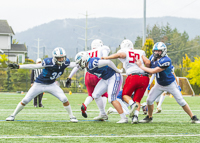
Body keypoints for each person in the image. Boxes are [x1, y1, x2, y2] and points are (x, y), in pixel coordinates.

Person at [6, 47, 78, 123]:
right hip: (39, 84)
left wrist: (84, 62)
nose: (61, 60)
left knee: (64, 99)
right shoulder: (48, 62)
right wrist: (19, 66)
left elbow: (75, 64)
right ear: (55, 58)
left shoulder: (66, 62)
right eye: (59, 58)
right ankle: (12, 115)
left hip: (51, 84)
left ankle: (72, 117)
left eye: (62, 58)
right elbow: (34, 66)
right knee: (25, 100)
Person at [136, 42, 200, 123]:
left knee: (181, 101)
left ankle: (193, 117)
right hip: (159, 84)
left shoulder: (166, 60)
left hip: (170, 84)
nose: (156, 53)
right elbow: (150, 71)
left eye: (158, 51)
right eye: (155, 51)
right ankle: (149, 117)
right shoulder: (152, 57)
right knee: (149, 100)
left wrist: (141, 66)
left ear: (163, 51)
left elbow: (154, 70)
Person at [102, 39, 151, 124]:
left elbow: (120, 54)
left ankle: (132, 105)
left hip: (133, 76)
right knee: (137, 100)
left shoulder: (125, 51)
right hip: (144, 77)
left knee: (125, 95)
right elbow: (148, 62)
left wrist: (107, 57)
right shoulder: (140, 52)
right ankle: (135, 117)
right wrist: (147, 69)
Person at [75, 51, 130, 123]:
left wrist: (118, 70)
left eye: (79, 62)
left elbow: (108, 62)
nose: (79, 64)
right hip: (106, 78)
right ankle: (103, 114)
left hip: (114, 76)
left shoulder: (93, 63)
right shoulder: (88, 65)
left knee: (112, 99)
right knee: (95, 95)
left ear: (84, 60)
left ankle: (124, 118)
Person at [66, 39, 110, 118]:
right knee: (103, 94)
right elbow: (105, 59)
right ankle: (102, 113)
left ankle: (85, 105)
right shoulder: (103, 49)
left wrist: (69, 76)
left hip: (88, 75)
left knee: (91, 95)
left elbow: (78, 66)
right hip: (98, 74)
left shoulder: (86, 53)